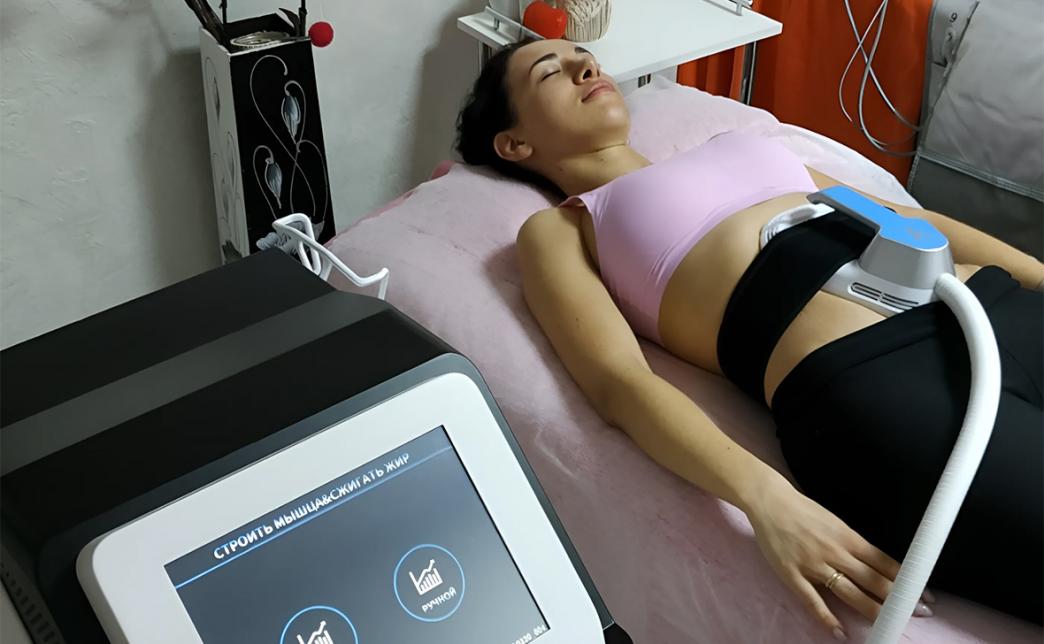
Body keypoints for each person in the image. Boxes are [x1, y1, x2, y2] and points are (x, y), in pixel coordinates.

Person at [455, 38, 1044, 636]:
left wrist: (1039, 276)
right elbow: (618, 383)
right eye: (551, 72)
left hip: (991, 301)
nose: (586, 67)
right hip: (881, 382)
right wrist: (766, 499)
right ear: (515, 143)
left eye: (585, 57)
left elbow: (909, 220)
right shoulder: (562, 228)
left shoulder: (737, 144)